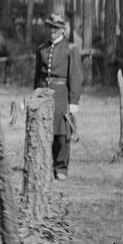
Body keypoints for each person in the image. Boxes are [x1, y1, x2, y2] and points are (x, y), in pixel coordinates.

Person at [35, 11, 83, 181]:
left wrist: (74, 101)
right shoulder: (41, 49)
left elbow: (75, 76)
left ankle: (61, 167)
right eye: (50, 27)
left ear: (63, 30)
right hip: (43, 96)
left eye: (56, 28)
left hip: (62, 96)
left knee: (62, 135)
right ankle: (43, 165)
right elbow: (37, 77)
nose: (52, 31)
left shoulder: (71, 49)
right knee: (42, 132)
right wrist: (35, 97)